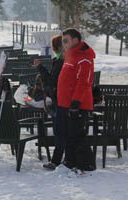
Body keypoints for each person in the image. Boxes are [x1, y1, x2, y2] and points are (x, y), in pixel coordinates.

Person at [56, 28, 96, 173]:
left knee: (76, 135)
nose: (63, 44)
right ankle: (70, 162)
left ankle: (87, 165)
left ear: (75, 40)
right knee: (68, 135)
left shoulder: (84, 57)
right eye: (62, 41)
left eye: (66, 41)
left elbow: (84, 82)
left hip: (78, 105)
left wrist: (76, 102)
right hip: (65, 104)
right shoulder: (70, 55)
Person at [34, 35, 66, 170]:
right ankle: (59, 159)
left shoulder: (60, 62)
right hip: (62, 99)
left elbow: (52, 81)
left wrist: (40, 67)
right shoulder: (65, 60)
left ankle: (56, 161)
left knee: (59, 132)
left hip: (59, 100)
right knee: (63, 131)